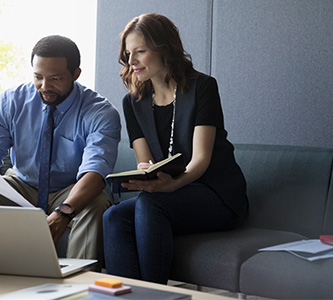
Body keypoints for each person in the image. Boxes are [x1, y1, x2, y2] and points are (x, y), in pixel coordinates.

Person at [103, 13, 247, 284]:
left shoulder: (202, 87)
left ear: (164, 48)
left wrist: (171, 185)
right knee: (113, 215)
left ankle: (155, 294)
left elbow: (201, 160)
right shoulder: (132, 102)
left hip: (217, 194)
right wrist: (146, 174)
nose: (131, 61)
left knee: (151, 202)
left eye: (140, 52)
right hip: (169, 194)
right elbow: (144, 160)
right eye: (128, 53)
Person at [0, 35, 121, 269]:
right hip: (22, 185)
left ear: (75, 74)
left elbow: (95, 174)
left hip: (70, 189)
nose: (44, 87)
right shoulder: (11, 101)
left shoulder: (100, 112)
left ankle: (78, 285)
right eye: (38, 77)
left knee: (96, 205)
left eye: (55, 78)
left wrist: (64, 212)